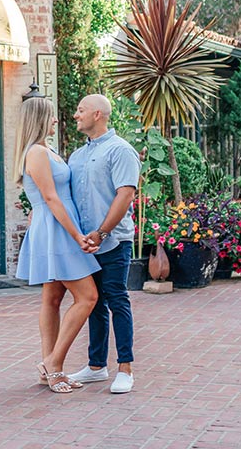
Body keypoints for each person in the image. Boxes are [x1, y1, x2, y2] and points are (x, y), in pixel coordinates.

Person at [13, 95, 100, 394]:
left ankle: (52, 371)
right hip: (57, 230)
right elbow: (50, 198)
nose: (56, 120)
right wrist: (77, 235)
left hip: (52, 227)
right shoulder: (36, 152)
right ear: (39, 119)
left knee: (52, 299)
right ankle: (53, 363)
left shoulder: (45, 150)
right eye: (50, 116)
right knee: (88, 297)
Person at [66, 94, 141, 394]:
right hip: (85, 244)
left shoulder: (120, 151)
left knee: (116, 300)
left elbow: (125, 195)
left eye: (80, 110)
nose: (75, 115)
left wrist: (102, 232)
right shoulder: (76, 156)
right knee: (92, 303)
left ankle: (126, 368)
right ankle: (96, 366)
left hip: (113, 241)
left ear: (98, 114)